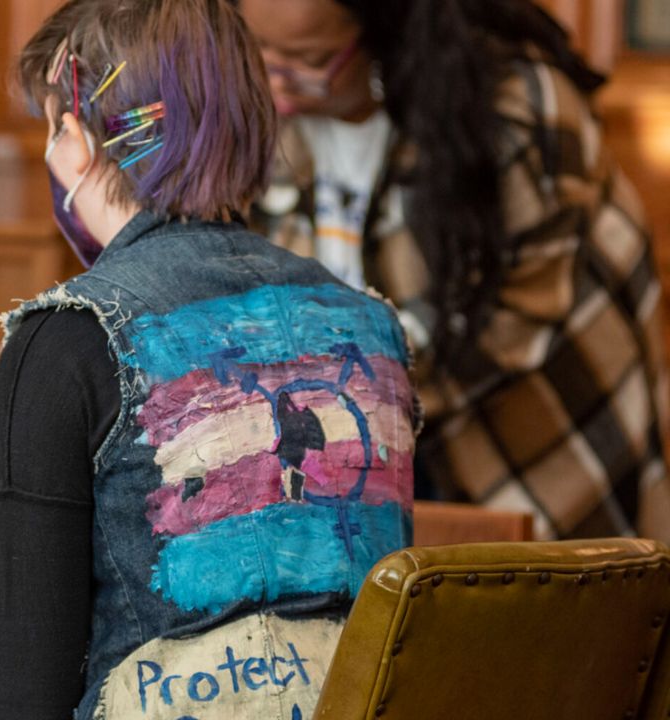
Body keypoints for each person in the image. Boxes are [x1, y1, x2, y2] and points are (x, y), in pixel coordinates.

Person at [0, 1, 417, 718]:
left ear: (74, 138)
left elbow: (20, 691)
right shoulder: (372, 329)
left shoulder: (63, 340)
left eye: (51, 127)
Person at [241, 0, 670, 542]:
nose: (276, 85)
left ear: (387, 28)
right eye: (258, 51)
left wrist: (338, 408)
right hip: (375, 447)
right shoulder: (281, 119)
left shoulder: (514, 108)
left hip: (537, 454)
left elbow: (511, 326)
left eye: (309, 60)